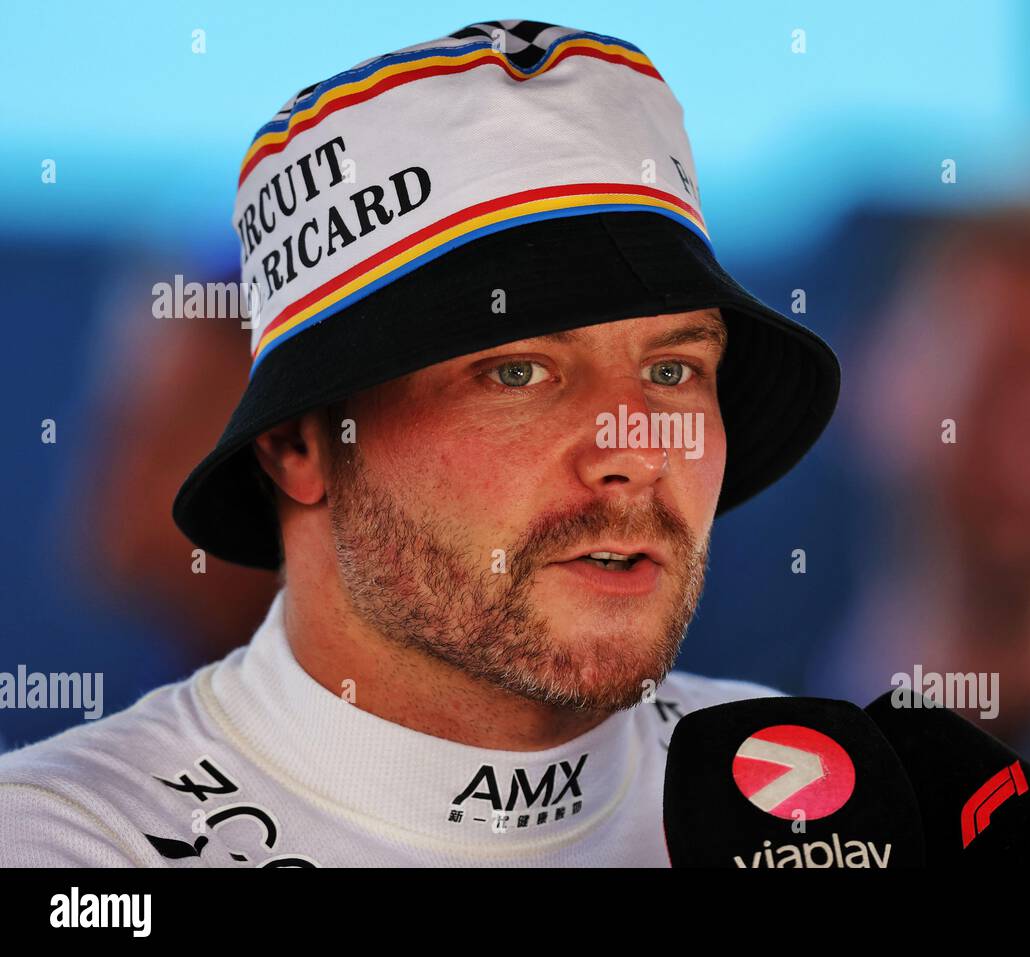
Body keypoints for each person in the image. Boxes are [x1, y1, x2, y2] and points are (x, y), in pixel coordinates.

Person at [0, 19, 838, 867]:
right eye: (518, 372)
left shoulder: (831, 798)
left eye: (672, 369)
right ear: (297, 445)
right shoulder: (67, 841)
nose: (637, 450)